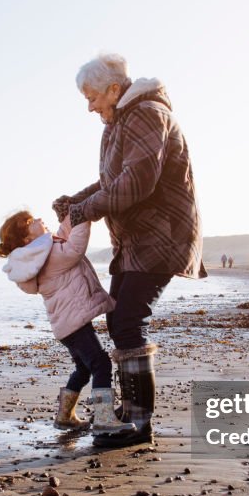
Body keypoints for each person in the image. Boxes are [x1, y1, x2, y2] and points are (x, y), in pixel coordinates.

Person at [53, 52, 205, 448]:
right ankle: (130, 415)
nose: (89, 107)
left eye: (92, 97)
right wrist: (76, 200)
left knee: (127, 321)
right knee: (121, 320)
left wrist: (83, 209)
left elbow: (135, 184)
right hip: (139, 240)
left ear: (114, 89)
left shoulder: (145, 114)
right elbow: (112, 180)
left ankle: (138, 423)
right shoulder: (124, 119)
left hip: (160, 236)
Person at [0, 210, 134, 435]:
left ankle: (65, 416)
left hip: (66, 325)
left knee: (83, 367)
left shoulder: (41, 253)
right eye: (31, 222)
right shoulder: (50, 256)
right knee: (101, 364)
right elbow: (75, 248)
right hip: (73, 323)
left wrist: (73, 213)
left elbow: (63, 233)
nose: (40, 219)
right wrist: (84, 214)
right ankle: (103, 420)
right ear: (26, 239)